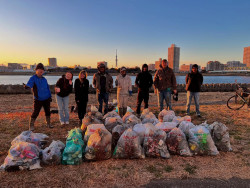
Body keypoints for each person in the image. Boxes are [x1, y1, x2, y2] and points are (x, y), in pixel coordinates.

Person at [24, 63, 53, 131]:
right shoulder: (33, 78)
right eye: (39, 69)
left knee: (48, 111)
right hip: (38, 99)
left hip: (46, 98)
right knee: (36, 112)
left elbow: (47, 88)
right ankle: (31, 125)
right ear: (36, 70)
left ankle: (48, 123)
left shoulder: (44, 79)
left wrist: (50, 96)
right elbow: (30, 84)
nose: (41, 71)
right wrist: (27, 86)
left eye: (42, 70)